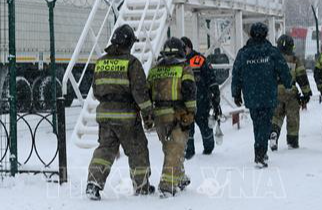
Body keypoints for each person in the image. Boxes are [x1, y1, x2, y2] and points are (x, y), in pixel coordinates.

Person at [86, 25, 155, 200]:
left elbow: (95, 90)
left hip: (105, 116)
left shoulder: (100, 62)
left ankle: (93, 184)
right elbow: (140, 93)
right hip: (126, 118)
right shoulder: (132, 63)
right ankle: (141, 186)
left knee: (105, 150)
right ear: (128, 43)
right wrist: (148, 114)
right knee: (137, 150)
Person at [231, 22, 292, 167]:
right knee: (265, 124)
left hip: (251, 96)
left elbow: (236, 74)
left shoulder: (244, 53)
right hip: (268, 94)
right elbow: (283, 69)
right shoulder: (271, 51)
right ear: (265, 34)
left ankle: (261, 151)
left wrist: (236, 94)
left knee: (257, 124)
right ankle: (260, 154)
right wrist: (288, 83)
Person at [148, 37, 197, 197]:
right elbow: (189, 90)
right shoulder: (184, 67)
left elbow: (146, 91)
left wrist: (148, 116)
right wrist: (191, 112)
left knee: (170, 148)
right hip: (177, 114)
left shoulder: (154, 68)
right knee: (175, 149)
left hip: (159, 116)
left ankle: (180, 177)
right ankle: (166, 185)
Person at [180, 36, 221, 159]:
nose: (182, 50)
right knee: (187, 129)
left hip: (201, 100)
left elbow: (211, 78)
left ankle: (208, 149)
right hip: (185, 103)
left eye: (184, 48)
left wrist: (215, 95)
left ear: (189, 47)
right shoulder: (178, 62)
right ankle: (189, 152)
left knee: (205, 127)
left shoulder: (199, 60)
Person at [270, 34, 312, 151]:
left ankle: (273, 133)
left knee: (276, 116)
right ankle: (292, 142)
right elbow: (301, 77)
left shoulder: (272, 59)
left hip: (275, 92)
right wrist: (306, 93)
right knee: (292, 118)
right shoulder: (295, 60)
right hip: (290, 93)